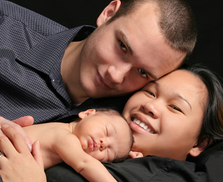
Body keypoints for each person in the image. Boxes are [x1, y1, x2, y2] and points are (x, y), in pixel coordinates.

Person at [1, 64, 223, 182]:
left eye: (175, 107)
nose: (151, 106)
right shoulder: (90, 128)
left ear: (199, 144)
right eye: (150, 92)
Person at [0, 0, 196, 126]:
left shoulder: (135, 119)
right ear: (108, 14)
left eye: (143, 72)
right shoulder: (4, 25)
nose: (116, 75)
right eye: (122, 46)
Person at [22, 108, 133, 182]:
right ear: (87, 113)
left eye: (108, 152)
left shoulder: (60, 128)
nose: (103, 144)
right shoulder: (65, 137)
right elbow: (85, 163)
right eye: (107, 131)